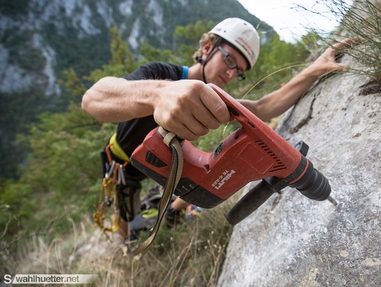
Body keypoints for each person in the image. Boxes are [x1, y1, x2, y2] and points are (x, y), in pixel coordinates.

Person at [82, 17, 351, 243]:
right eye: (230, 60)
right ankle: (125, 250)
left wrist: (316, 69)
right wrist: (158, 94)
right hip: (122, 164)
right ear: (208, 47)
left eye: (240, 72)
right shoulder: (160, 74)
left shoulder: (211, 98)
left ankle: (170, 213)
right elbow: (93, 99)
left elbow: (263, 107)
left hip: (160, 164)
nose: (232, 74)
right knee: (125, 222)